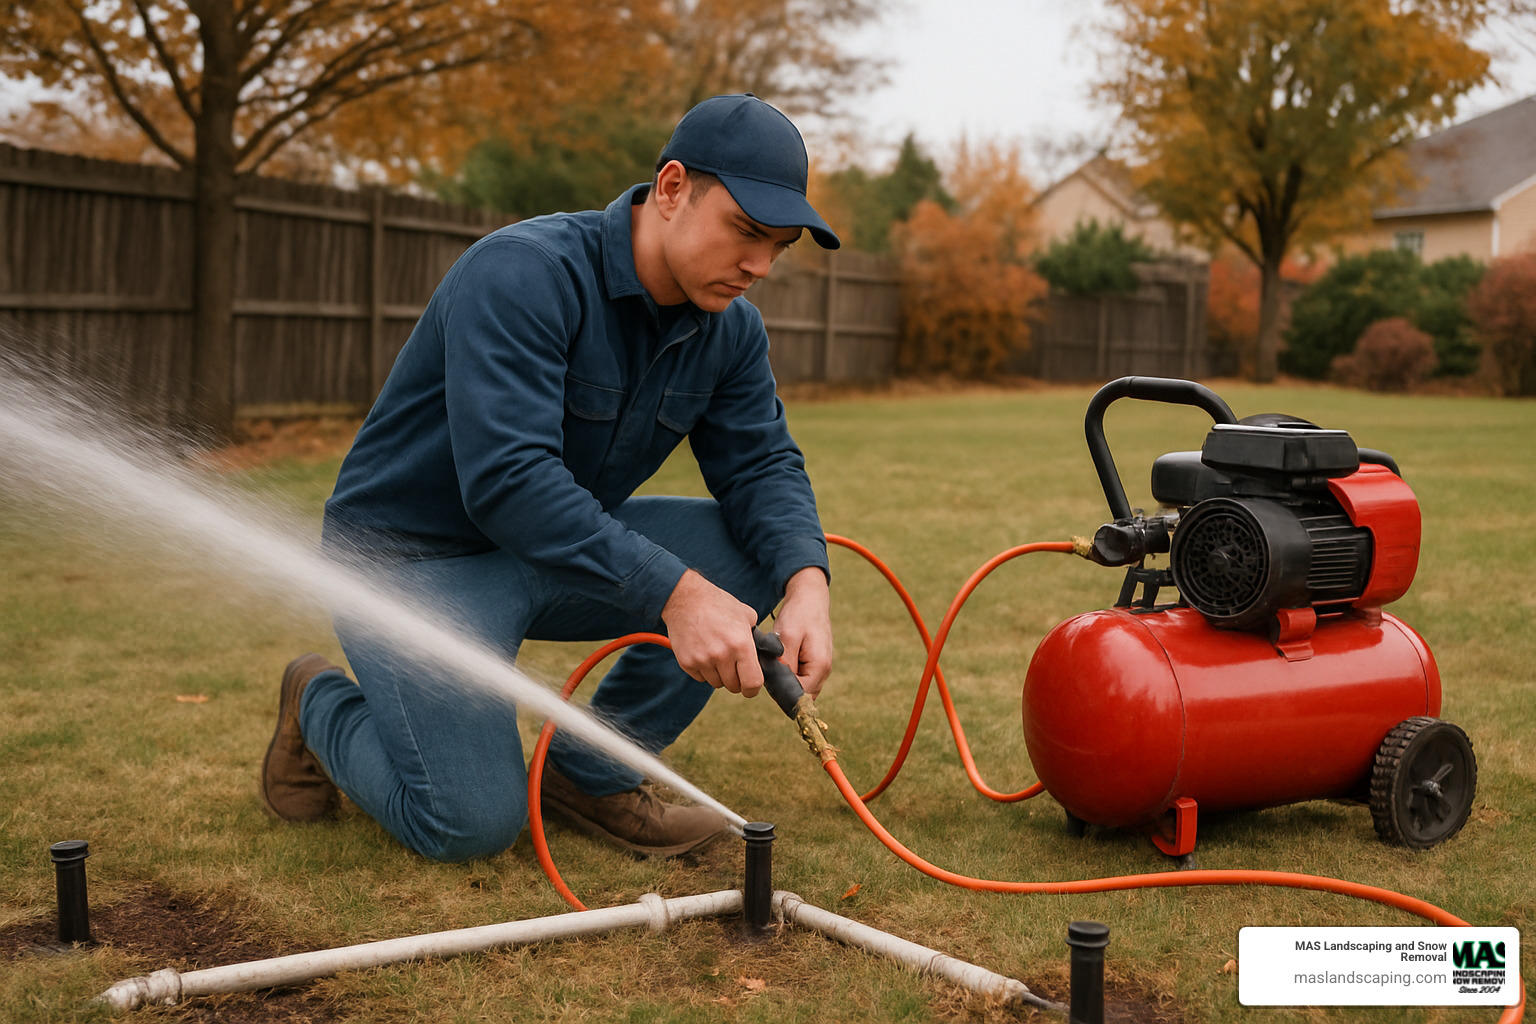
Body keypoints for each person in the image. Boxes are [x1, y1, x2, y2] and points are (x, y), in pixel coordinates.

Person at [259, 94, 839, 863]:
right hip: (412, 568)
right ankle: (318, 699)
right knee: (471, 825)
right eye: (746, 233)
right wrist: (678, 595)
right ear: (671, 190)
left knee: (751, 549)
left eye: (780, 247)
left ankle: (587, 775)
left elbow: (762, 463)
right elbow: (508, 481)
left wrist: (807, 583)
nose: (760, 266)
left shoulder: (729, 331)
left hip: (547, 557)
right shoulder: (523, 275)